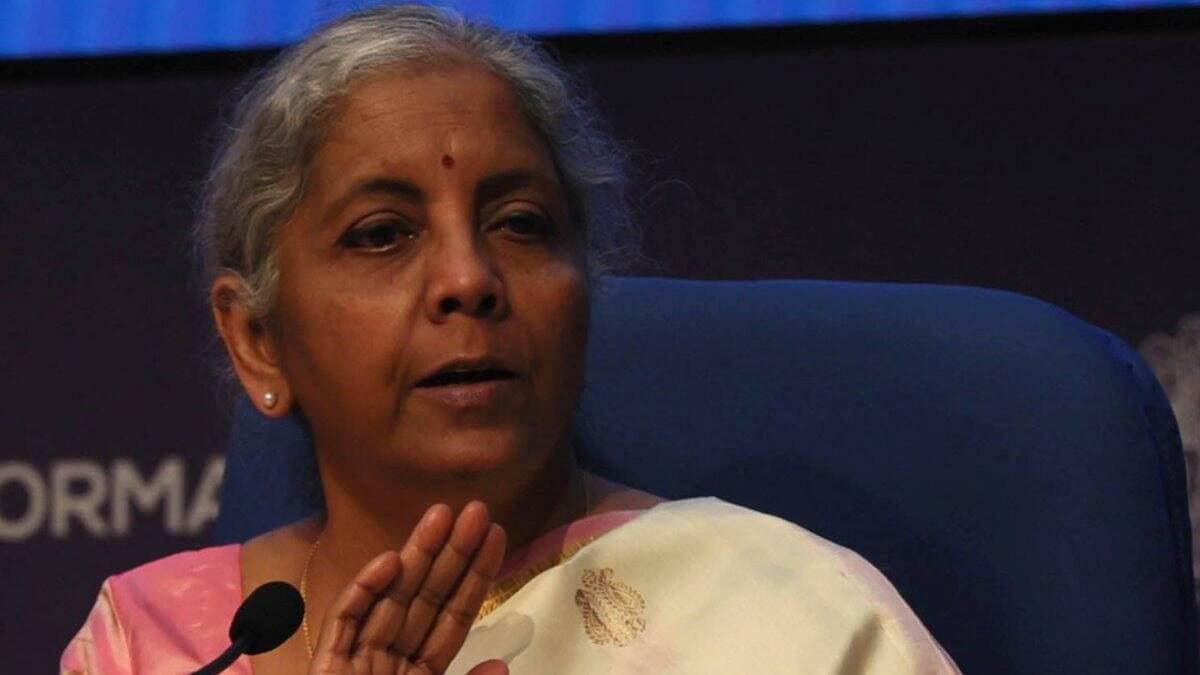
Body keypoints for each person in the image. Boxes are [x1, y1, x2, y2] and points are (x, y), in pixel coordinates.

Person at [61, 6, 959, 674]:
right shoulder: (150, 645)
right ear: (258, 339)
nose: (469, 277)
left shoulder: (783, 616)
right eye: (383, 234)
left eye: (522, 223)